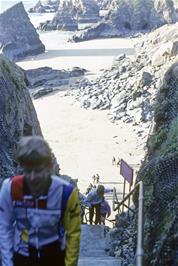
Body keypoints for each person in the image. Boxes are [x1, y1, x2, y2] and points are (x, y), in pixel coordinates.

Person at [0, 136, 81, 266]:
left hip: (54, 256)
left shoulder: (67, 193)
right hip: (22, 255)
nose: (32, 177)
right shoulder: (10, 188)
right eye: (27, 171)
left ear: (49, 167)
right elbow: (4, 228)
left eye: (38, 171)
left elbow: (73, 234)